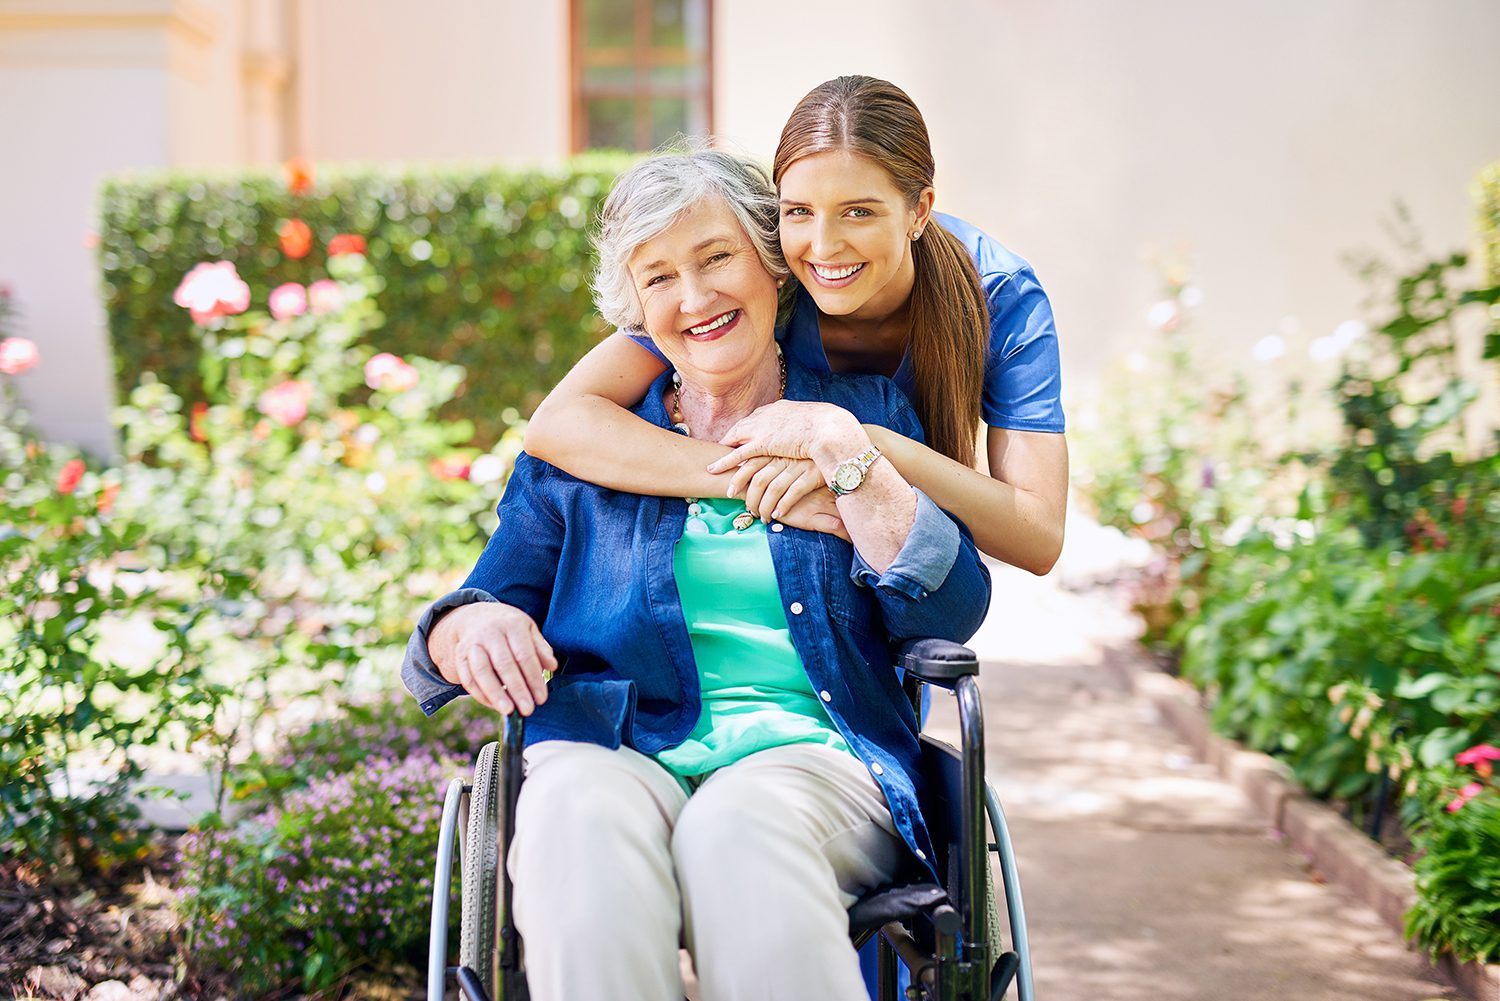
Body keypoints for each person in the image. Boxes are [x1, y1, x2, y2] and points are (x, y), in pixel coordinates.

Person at [402, 148, 991, 1001]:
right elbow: (482, 598)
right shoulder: (583, 452)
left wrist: (844, 458)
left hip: (814, 756)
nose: (695, 297)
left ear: (771, 263)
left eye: (716, 258)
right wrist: (466, 625)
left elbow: (954, 606)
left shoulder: (865, 414)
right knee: (574, 820)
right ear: (637, 309)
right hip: (614, 745)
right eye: (660, 277)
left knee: (737, 826)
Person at [523, 75, 1068, 576]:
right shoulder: (767, 272)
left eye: (859, 211)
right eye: (799, 211)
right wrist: (742, 478)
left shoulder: (999, 294)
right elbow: (558, 423)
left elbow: (1038, 537)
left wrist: (859, 447)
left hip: (910, 558)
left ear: (920, 210)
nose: (824, 247)